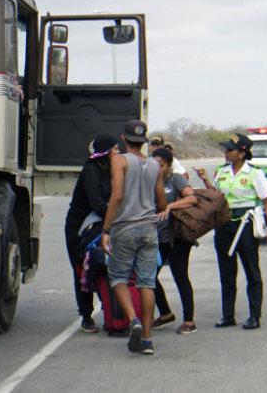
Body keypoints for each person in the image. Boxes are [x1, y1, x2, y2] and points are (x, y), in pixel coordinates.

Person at [100, 119, 167, 355]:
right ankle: (147, 339)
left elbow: (116, 196)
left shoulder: (119, 161)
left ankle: (133, 320)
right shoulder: (154, 165)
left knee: (118, 277)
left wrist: (106, 230)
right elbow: (161, 201)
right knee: (146, 282)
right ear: (144, 141)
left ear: (124, 138)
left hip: (124, 228)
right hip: (149, 229)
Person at [196, 134, 267, 330]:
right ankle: (228, 315)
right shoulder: (221, 172)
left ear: (241, 153)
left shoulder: (254, 174)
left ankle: (254, 315)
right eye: (225, 149)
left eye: (230, 150)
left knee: (252, 271)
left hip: (245, 225)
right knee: (227, 272)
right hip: (224, 225)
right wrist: (206, 181)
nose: (226, 153)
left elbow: (266, 202)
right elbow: (216, 196)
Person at [64, 134, 118, 333]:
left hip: (101, 225)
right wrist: (118, 214)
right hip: (79, 228)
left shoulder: (110, 170)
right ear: (106, 153)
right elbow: (96, 202)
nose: (118, 153)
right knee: (82, 269)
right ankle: (86, 315)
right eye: (115, 150)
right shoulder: (90, 171)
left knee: (104, 266)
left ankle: (111, 311)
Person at [150, 147, 199, 334]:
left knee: (180, 275)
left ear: (169, 165)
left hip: (177, 237)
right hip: (158, 237)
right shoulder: (150, 181)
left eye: (161, 166)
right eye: (154, 165)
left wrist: (170, 206)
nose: (157, 169)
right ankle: (165, 313)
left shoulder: (175, 179)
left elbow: (192, 199)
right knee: (149, 276)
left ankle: (189, 320)